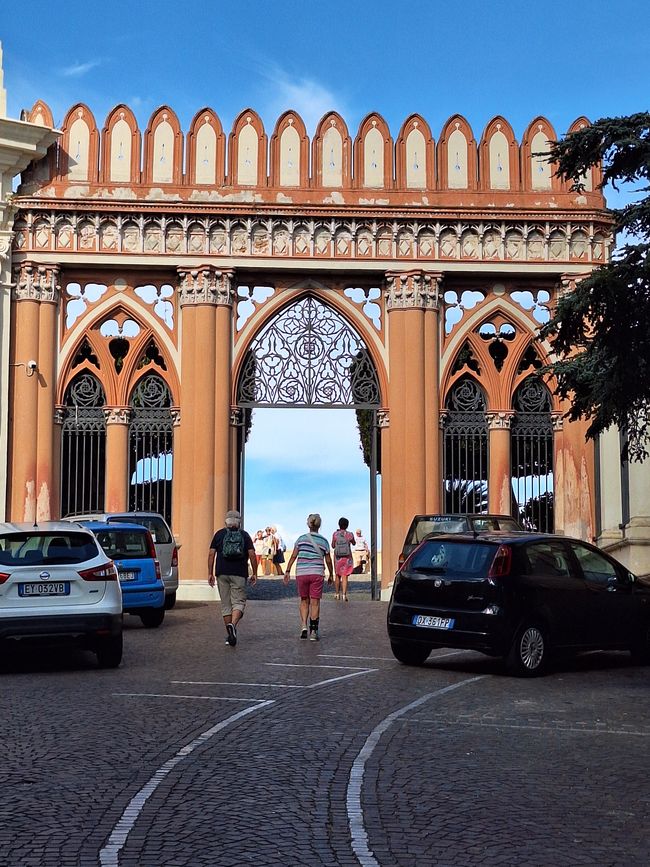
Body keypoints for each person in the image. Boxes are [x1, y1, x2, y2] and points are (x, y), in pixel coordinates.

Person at [208, 510, 257, 647]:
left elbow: (211, 554)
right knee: (239, 602)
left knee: (226, 605)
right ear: (239, 522)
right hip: (239, 573)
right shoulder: (244, 535)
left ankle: (230, 635)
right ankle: (233, 625)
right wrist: (255, 573)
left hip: (221, 573)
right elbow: (252, 554)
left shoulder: (219, 534)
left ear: (226, 522)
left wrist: (210, 573)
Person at [284, 513, 333, 640]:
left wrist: (288, 571)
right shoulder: (323, 541)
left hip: (302, 573)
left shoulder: (301, 539)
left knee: (304, 600)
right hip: (317, 573)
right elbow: (328, 560)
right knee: (315, 602)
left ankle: (303, 626)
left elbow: (293, 556)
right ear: (319, 525)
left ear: (308, 524)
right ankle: (314, 632)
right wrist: (331, 574)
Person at [331, 517, 355, 601]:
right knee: (345, 575)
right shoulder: (350, 534)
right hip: (347, 558)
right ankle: (344, 594)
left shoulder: (335, 534)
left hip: (337, 558)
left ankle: (337, 594)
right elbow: (354, 543)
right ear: (347, 525)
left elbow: (333, 546)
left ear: (339, 524)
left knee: (337, 575)